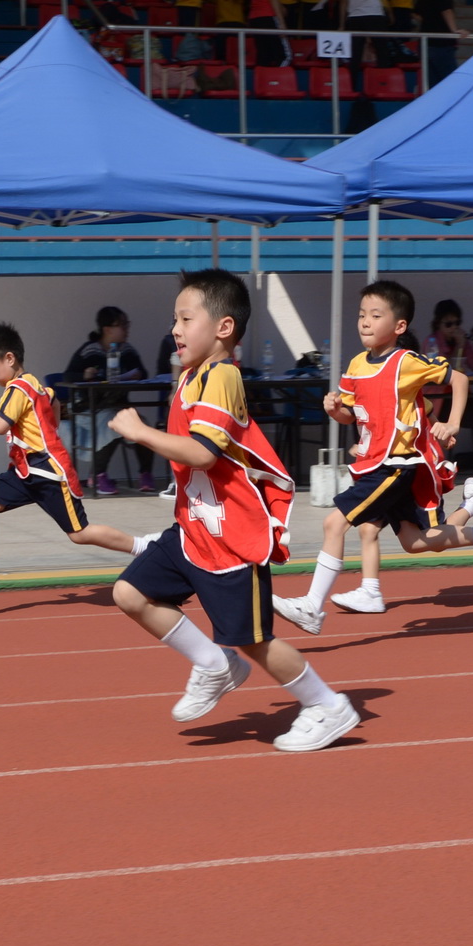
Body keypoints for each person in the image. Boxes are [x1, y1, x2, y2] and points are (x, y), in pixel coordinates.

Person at [105, 269, 360, 753]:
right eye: (174, 319)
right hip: (193, 528)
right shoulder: (191, 376)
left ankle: (327, 704)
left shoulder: (222, 377)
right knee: (130, 593)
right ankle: (213, 664)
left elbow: (203, 453)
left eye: (186, 319)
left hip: (232, 540)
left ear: (224, 327)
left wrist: (140, 433)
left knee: (254, 640)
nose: (175, 329)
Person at [274, 281, 473, 635]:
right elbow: (351, 415)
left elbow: (459, 379)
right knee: (413, 542)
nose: (365, 322)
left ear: (399, 326)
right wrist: (335, 410)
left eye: (375, 315)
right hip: (373, 464)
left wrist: (452, 422)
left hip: (395, 466)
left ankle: (311, 606)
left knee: (334, 524)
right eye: (362, 315)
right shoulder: (356, 365)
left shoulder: (405, 362)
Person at [0, 322, 155, 597]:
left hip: (48, 472)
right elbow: (52, 402)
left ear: (9, 358)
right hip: (25, 471)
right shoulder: (35, 385)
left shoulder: (18, 389)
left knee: (79, 534)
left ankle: (143, 546)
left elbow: (0, 425)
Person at [65, 306, 154, 495]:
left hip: (115, 406)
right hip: (87, 409)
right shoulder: (89, 350)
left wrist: (137, 374)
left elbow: (143, 373)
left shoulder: (127, 350)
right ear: (107, 329)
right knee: (114, 424)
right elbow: (68, 376)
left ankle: (145, 474)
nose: (126, 329)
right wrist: (84, 374)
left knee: (142, 424)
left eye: (127, 324)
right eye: (122, 325)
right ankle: (97, 476)